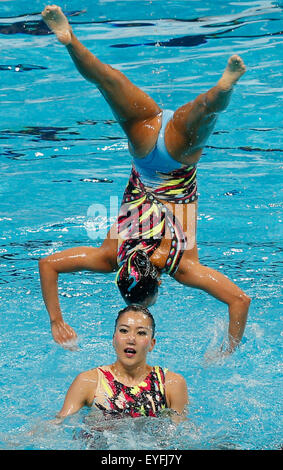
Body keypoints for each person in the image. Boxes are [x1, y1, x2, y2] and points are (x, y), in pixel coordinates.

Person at [39, 5, 251, 354]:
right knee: (106, 79)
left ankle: (224, 86)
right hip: (144, 148)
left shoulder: (179, 265)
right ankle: (69, 40)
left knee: (205, 112)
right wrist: (55, 319)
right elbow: (48, 264)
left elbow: (239, 301)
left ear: (157, 285)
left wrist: (227, 351)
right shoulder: (110, 255)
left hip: (178, 161)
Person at [56, 305, 188, 421]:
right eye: (124, 330)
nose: (131, 339)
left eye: (141, 333)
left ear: (152, 344)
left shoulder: (171, 384)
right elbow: (59, 425)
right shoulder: (88, 382)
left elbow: (181, 436)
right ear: (114, 339)